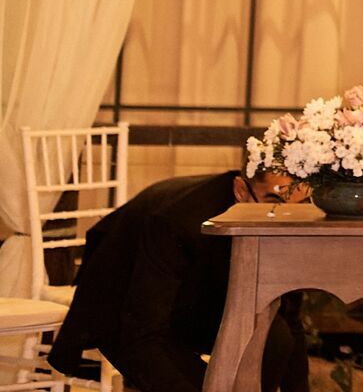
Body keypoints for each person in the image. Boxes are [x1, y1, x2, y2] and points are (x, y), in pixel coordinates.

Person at [46, 167, 309, 392]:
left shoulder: (289, 224)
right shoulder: (177, 220)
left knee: (276, 338)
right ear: (240, 190)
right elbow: (142, 335)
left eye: (297, 207)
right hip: (127, 309)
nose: (284, 218)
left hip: (195, 302)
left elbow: (291, 317)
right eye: (273, 201)